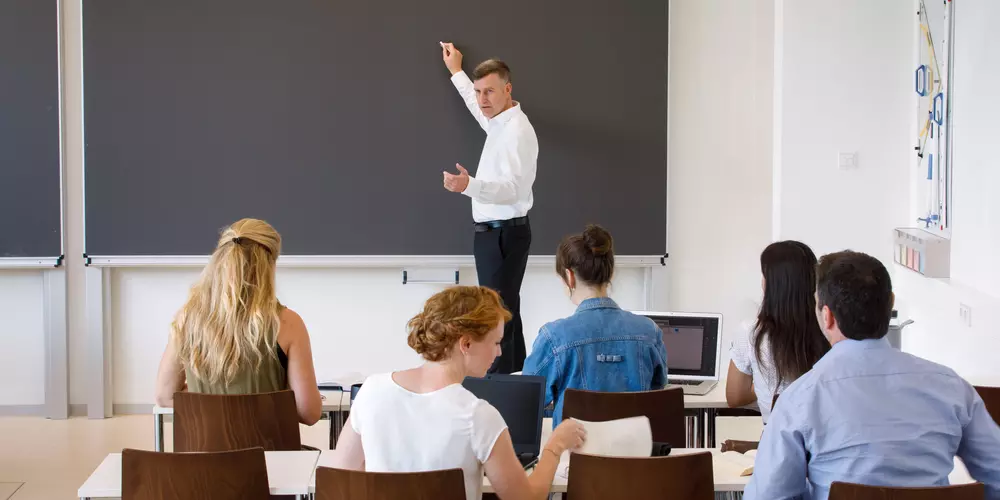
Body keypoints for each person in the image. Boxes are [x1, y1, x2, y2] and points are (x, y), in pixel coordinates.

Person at [746, 251, 1000, 500]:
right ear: (890, 304)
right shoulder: (952, 387)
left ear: (827, 316)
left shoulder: (798, 399)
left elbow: (768, 495)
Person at [330, 286, 586, 500]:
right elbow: (525, 498)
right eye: (496, 342)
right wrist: (556, 445)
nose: (499, 353)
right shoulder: (478, 416)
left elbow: (340, 481)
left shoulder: (372, 390)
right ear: (466, 344)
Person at [154, 218, 322, 425]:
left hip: (202, 456)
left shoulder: (188, 319)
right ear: (270, 266)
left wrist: (212, 397)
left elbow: (164, 396)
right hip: (270, 455)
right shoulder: (287, 323)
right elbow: (308, 413)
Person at [440, 42, 539, 374]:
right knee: (506, 312)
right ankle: (519, 386)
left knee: (497, 318)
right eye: (480, 90)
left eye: (490, 92)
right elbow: (474, 104)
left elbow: (515, 190)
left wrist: (469, 186)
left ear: (508, 90)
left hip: (504, 235)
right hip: (493, 236)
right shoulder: (498, 121)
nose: (482, 99)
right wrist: (457, 72)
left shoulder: (518, 131)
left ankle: (502, 392)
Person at [522, 225, 668, 425]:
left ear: (569, 277)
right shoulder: (649, 333)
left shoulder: (553, 337)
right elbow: (657, 397)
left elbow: (528, 404)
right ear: (611, 273)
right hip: (636, 453)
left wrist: (559, 409)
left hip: (575, 455)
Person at [726, 241, 830, 423]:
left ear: (772, 284)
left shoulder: (751, 332)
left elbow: (735, 397)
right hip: (824, 443)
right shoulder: (830, 328)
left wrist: (765, 384)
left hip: (776, 444)